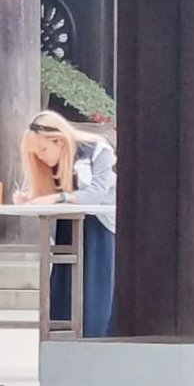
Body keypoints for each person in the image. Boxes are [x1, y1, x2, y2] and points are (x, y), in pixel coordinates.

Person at [13, 111, 116, 337]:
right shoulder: (54, 162)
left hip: (99, 227)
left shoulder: (98, 150)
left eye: (43, 149)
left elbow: (96, 194)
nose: (40, 157)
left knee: (95, 290)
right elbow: (49, 193)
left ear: (59, 140)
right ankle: (61, 337)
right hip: (68, 227)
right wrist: (30, 197)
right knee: (64, 288)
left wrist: (58, 198)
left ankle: (96, 340)